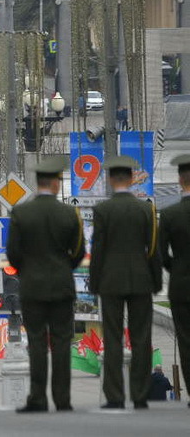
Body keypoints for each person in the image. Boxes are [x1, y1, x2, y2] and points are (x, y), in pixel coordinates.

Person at [7, 156, 85, 413]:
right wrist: (64, 268)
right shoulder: (69, 213)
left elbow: (13, 254)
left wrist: (28, 270)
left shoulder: (21, 213)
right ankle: (63, 400)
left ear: (38, 182)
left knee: (37, 342)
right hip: (62, 285)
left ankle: (38, 399)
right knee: (62, 341)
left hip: (32, 286)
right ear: (56, 183)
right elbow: (78, 251)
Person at [90, 154, 162, 410]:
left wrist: (94, 282)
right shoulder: (146, 208)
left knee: (112, 338)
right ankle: (141, 395)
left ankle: (115, 396)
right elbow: (153, 249)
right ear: (132, 179)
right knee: (142, 337)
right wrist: (156, 281)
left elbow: (97, 249)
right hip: (141, 280)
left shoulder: (102, 210)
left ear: (110, 180)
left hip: (110, 281)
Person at [160, 153, 190, 409]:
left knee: (186, 341)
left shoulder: (170, 215)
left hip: (182, 287)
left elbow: (160, 254)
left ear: (180, 181)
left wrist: (177, 267)